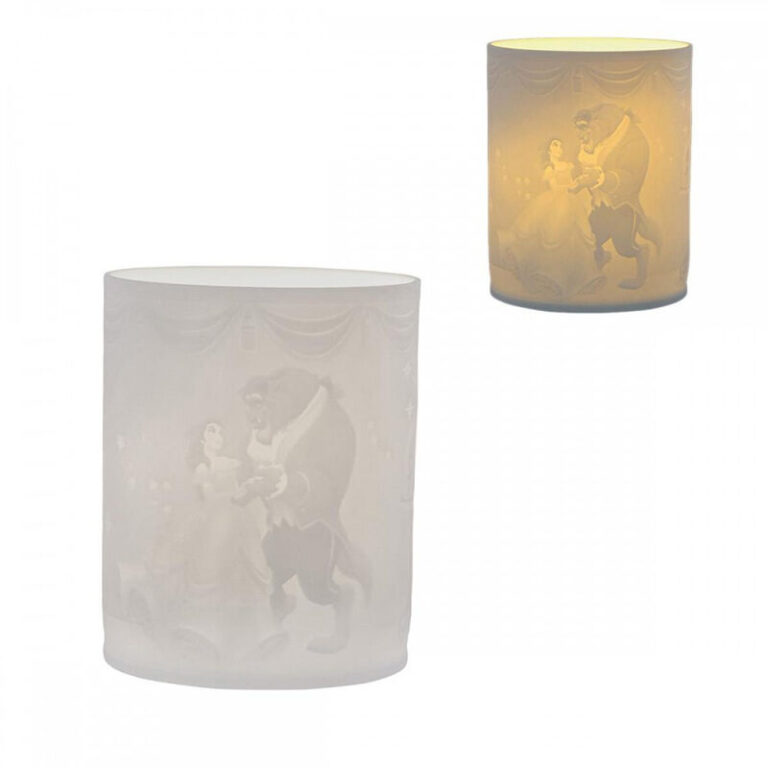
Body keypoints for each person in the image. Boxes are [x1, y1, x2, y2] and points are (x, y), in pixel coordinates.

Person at [497, 138, 605, 299]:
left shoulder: (568, 165)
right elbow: (555, 187)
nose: (559, 148)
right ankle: (547, 274)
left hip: (571, 201)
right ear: (549, 150)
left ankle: (575, 276)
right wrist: (571, 186)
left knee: (575, 234)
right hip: (554, 201)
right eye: (555, 145)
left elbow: (572, 183)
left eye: (561, 145)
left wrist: (576, 184)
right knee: (553, 230)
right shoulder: (549, 168)